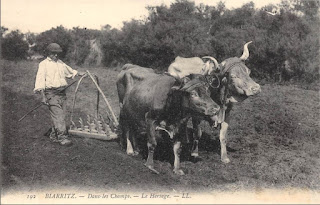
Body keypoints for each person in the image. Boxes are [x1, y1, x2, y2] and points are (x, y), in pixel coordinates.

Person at [34, 43, 86, 146]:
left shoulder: (61, 63)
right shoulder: (43, 64)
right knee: (59, 116)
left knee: (60, 115)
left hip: (62, 92)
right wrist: (43, 97)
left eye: (57, 53)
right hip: (51, 93)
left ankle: (54, 136)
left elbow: (71, 71)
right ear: (48, 53)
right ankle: (63, 137)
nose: (56, 55)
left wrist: (81, 73)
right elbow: (40, 81)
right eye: (54, 53)